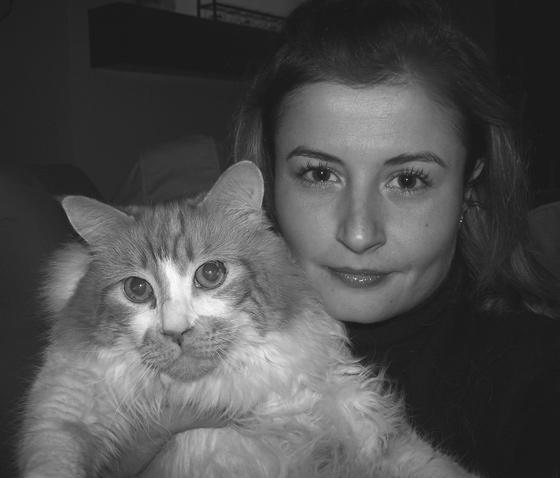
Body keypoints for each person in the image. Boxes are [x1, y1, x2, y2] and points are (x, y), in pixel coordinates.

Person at [231, 0, 560, 477]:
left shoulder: (537, 378)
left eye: (408, 180)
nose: (359, 233)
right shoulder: (172, 356)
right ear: (268, 184)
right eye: (319, 174)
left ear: (469, 189)